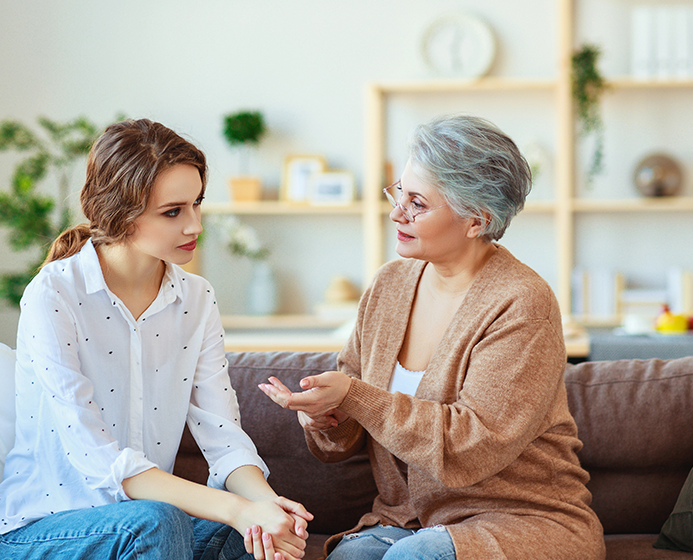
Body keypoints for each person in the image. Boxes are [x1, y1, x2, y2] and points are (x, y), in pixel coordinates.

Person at [259, 115, 605, 560]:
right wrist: (324, 417)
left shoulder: (521, 302)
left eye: (417, 203)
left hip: (519, 519)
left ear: (476, 220)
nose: (396, 212)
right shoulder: (389, 285)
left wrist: (356, 397)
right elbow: (344, 436)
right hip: (406, 520)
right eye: (398, 192)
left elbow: (470, 447)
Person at [0, 118, 312, 560]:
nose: (195, 225)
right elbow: (98, 460)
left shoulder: (197, 298)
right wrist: (235, 509)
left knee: (251, 536)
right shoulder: (53, 294)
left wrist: (263, 506)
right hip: (42, 533)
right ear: (120, 213)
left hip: (149, 529)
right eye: (173, 211)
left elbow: (223, 436)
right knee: (159, 520)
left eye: (197, 203)